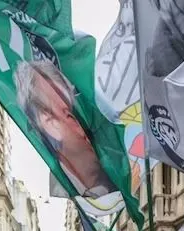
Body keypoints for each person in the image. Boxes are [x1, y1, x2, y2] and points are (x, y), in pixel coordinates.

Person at [14, 59, 114, 198]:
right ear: (51, 124)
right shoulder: (72, 186)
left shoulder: (120, 168)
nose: (89, 123)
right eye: (71, 115)